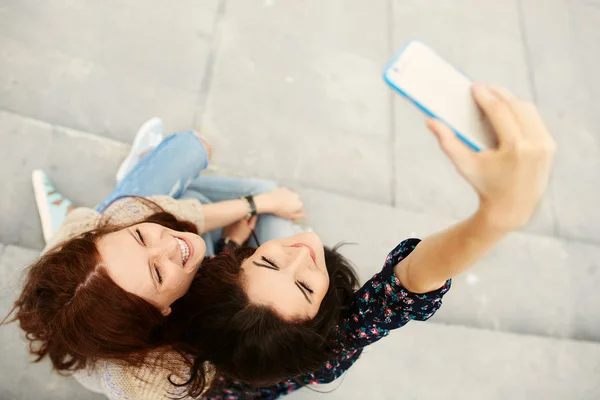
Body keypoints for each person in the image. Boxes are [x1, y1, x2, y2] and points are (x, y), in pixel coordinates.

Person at [5, 83, 556, 400]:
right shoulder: (327, 349)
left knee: (230, 195)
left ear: (228, 269)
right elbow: (410, 282)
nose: (301, 253)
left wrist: (249, 215)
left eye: (266, 259)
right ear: (168, 310)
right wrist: (496, 218)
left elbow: (176, 226)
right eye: (303, 283)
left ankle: (139, 200)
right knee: (262, 196)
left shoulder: (150, 258)